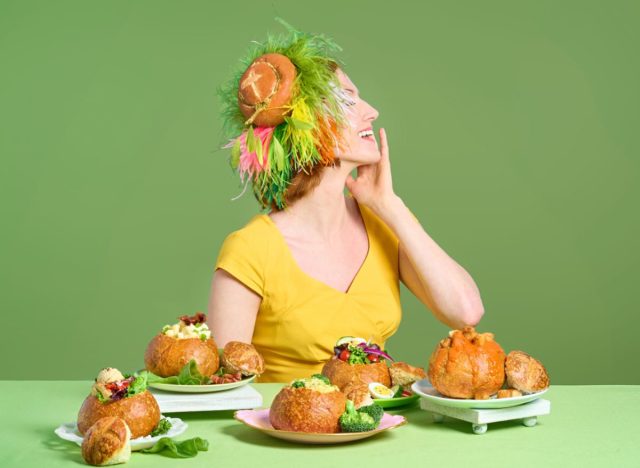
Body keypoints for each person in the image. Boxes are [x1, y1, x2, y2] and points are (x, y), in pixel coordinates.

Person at [208, 21, 484, 382]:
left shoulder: (384, 222)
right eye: (348, 100)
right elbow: (222, 388)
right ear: (307, 126)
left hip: (379, 426)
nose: (370, 110)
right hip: (288, 431)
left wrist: (390, 206)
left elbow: (465, 312)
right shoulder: (250, 250)